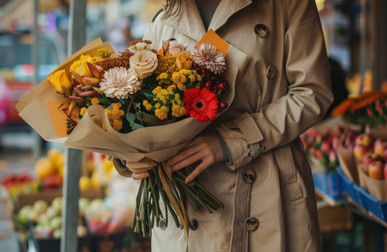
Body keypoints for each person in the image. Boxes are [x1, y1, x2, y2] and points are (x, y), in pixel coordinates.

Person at [116, 0, 333, 251]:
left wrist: (231, 141)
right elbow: (139, 103)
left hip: (263, 190)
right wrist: (130, 154)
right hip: (183, 202)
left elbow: (312, 93)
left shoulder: (287, 5)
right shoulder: (166, 15)